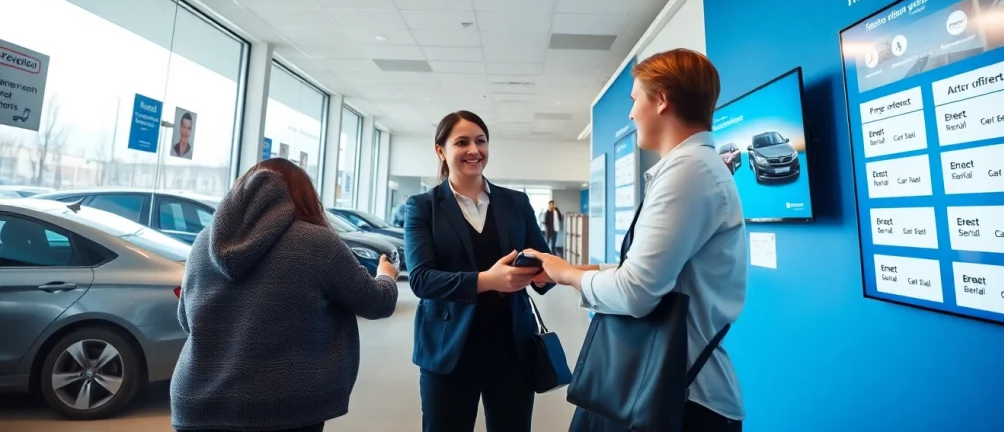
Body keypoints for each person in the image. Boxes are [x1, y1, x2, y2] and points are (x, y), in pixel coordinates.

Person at [527, 49, 747, 432]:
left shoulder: (690, 171)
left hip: (677, 397)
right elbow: (656, 273)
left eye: (635, 100)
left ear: (661, 100)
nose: (630, 113)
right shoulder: (691, 169)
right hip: (659, 385)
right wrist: (576, 269)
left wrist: (567, 276)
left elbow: (636, 291)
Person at [171, 158, 399, 432]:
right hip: (282, 407)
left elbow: (186, 320)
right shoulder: (317, 243)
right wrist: (387, 275)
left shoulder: (202, 243)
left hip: (195, 404)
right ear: (303, 197)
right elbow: (377, 303)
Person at [404, 111, 554, 432]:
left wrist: (543, 275)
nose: (474, 150)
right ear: (441, 150)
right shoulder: (422, 207)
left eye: (481, 141)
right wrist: (488, 280)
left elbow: (542, 258)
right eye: (462, 142)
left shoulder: (516, 203)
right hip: (449, 351)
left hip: (512, 347)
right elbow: (421, 279)